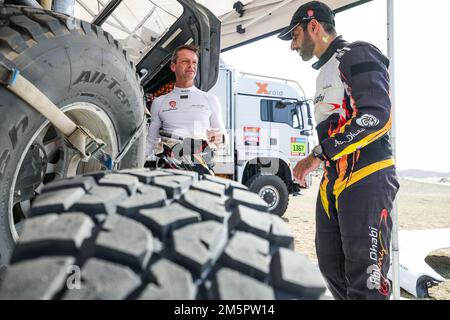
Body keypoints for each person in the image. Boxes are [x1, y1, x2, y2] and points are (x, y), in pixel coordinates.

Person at [278, 1, 399, 300]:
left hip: (366, 178)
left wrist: (318, 155)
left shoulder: (356, 53)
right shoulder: (323, 72)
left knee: (367, 282)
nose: (292, 45)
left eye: (294, 35)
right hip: (334, 182)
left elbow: (376, 117)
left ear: (313, 26)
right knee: (332, 270)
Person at [146, 44, 227, 160]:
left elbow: (224, 140)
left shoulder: (210, 100)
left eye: (194, 62)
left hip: (200, 169)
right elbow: (151, 142)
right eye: (185, 61)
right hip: (170, 169)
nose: (191, 66)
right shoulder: (159, 102)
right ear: (173, 67)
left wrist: (220, 138)